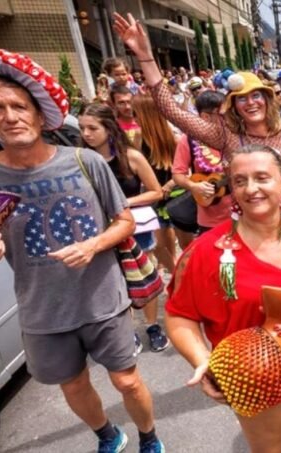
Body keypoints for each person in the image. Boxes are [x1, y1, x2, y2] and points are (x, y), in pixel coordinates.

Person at [0, 48, 164, 452]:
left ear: (38, 113)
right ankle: (108, 434)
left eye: (19, 106)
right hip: (42, 308)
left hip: (102, 298)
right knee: (73, 383)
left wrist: (93, 245)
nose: (10, 116)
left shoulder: (84, 162)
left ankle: (149, 438)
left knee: (126, 380)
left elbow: (123, 221)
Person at [166, 144, 281, 452]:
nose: (251, 189)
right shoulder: (206, 250)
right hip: (249, 373)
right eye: (240, 181)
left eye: (262, 177)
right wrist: (202, 360)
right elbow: (179, 314)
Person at [114, 13, 281, 225]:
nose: (250, 103)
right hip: (249, 232)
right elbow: (171, 111)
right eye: (241, 99)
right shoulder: (228, 137)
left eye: (256, 96)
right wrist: (146, 57)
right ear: (234, 107)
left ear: (268, 100)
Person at [78, 103, 172, 355]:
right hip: (99, 231)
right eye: (82, 128)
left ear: (109, 128)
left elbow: (156, 192)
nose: (86, 134)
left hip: (135, 228)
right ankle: (127, 330)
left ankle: (152, 326)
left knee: (143, 277)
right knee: (116, 281)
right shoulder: (79, 159)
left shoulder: (131, 156)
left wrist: (122, 203)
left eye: (92, 128)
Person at [170, 90, 232, 236]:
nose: (229, 118)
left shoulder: (235, 137)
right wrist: (193, 186)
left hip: (241, 215)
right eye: (223, 115)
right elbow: (178, 174)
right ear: (205, 116)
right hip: (210, 220)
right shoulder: (189, 140)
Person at [131, 93, 179, 275]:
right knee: (158, 244)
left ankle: (178, 273)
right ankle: (176, 273)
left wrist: (168, 186)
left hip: (175, 195)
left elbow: (183, 171)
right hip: (153, 197)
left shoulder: (172, 138)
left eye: (136, 114)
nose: (133, 118)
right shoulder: (139, 137)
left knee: (176, 240)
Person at [110, 84, 142, 148]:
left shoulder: (143, 122)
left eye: (129, 102)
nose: (127, 107)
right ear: (114, 105)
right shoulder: (113, 128)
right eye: (121, 103)